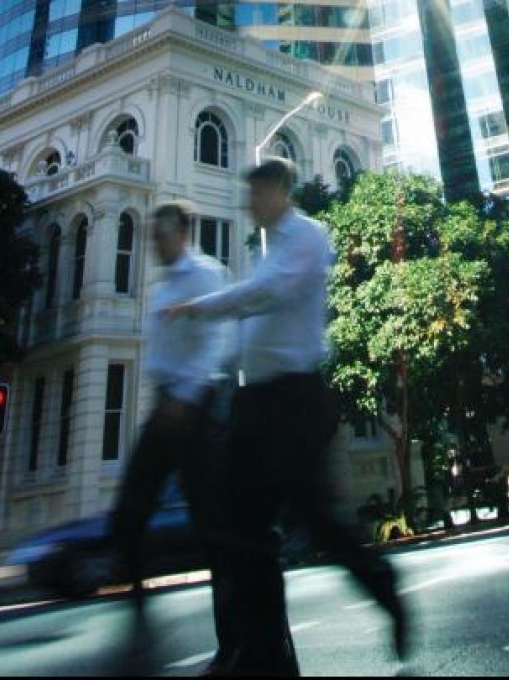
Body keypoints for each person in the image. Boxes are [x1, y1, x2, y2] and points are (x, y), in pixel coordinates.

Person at [166, 158, 409, 676]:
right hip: (256, 404)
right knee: (241, 529)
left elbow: (268, 294)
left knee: (315, 519)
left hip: (296, 401)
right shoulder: (270, 248)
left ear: (279, 190)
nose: (249, 204)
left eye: (255, 194)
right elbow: (254, 327)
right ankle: (264, 653)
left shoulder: (307, 238)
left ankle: (380, 584)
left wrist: (201, 308)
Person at [108, 200, 234, 616]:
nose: (155, 243)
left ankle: (233, 630)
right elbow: (159, 354)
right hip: (165, 407)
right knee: (130, 508)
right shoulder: (161, 288)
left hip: (196, 408)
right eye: (153, 236)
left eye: (161, 235)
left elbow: (218, 340)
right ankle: (139, 609)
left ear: (182, 233)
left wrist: (186, 395)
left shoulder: (205, 274)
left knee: (213, 521)